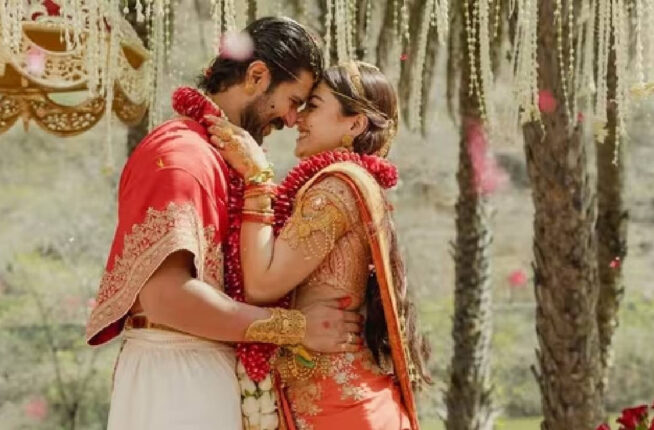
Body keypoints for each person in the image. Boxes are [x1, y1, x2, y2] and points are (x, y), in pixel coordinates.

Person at [85, 17, 362, 430]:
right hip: (176, 378)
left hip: (199, 371)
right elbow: (166, 297)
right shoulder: (180, 155)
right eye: (292, 100)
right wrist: (295, 328)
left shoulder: (222, 158)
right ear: (256, 76)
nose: (291, 120)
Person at [207, 61, 431, 430]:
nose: (298, 119)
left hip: (338, 407)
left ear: (354, 125)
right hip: (341, 400)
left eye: (313, 106)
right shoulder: (349, 183)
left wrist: (258, 180)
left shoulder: (334, 189)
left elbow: (261, 284)